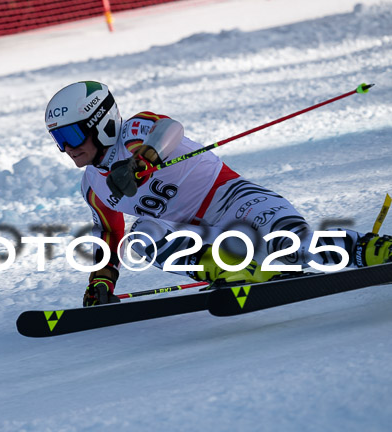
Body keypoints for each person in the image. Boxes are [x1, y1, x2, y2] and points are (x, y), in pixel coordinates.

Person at [44, 81, 391, 306]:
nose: (67, 149)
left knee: (290, 246)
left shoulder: (134, 131)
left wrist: (143, 159)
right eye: (59, 140)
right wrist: (102, 281)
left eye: (73, 136)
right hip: (199, 236)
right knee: (140, 237)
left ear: (102, 122)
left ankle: (374, 251)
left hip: (236, 201)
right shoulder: (92, 186)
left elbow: (170, 128)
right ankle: (227, 271)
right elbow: (108, 234)